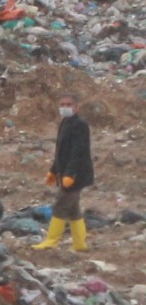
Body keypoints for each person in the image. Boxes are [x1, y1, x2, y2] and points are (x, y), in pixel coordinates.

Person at [39, 99, 93, 251]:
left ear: (77, 107)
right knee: (73, 209)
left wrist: (70, 174)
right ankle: (80, 244)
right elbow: (61, 151)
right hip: (65, 172)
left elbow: (78, 152)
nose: (65, 107)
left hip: (77, 174)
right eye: (62, 105)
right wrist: (54, 170)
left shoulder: (80, 124)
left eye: (69, 105)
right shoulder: (65, 123)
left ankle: (51, 241)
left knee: (61, 205)